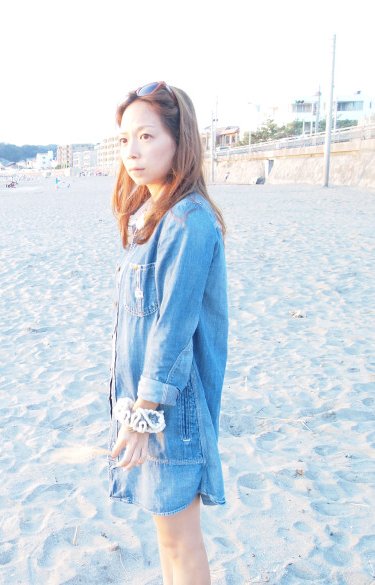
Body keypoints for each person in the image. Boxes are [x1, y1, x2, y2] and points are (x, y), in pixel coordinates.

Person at [107, 82, 228, 585]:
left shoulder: (188, 222)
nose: (132, 152)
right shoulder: (155, 217)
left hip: (169, 409)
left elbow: (173, 329)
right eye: (124, 139)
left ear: (180, 140)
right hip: (153, 405)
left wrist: (143, 415)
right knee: (168, 537)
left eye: (147, 136)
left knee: (181, 540)